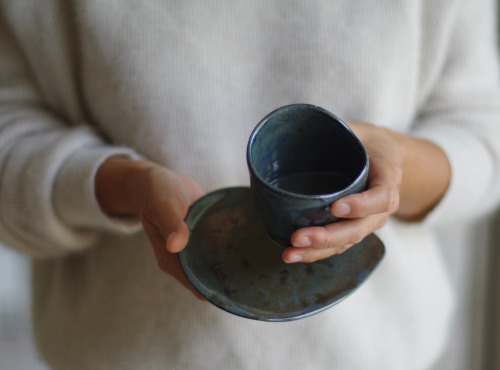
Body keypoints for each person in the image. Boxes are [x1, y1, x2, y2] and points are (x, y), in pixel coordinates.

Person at [1, 1, 500, 369]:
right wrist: (125, 187)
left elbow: (485, 139)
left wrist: (398, 171)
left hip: (381, 352)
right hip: (122, 352)